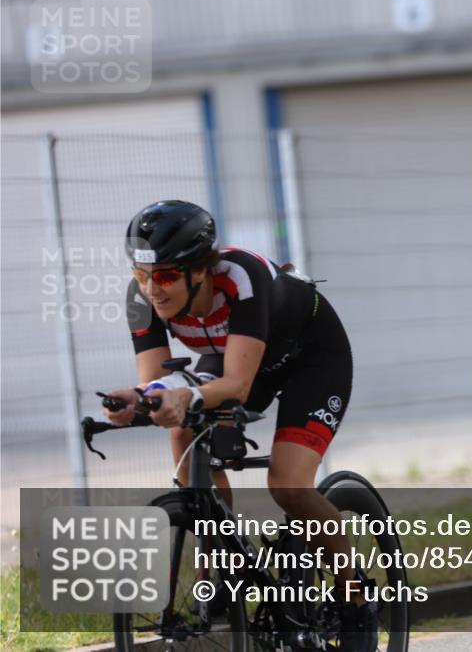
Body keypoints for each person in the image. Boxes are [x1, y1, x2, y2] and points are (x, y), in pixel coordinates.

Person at [103, 199, 377, 651]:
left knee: (288, 485)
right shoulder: (143, 299)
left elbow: (237, 383)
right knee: (182, 430)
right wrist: (134, 400)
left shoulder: (241, 277)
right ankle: (220, 563)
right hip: (236, 355)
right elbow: (154, 383)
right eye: (142, 275)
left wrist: (182, 394)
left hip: (310, 358)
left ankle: (354, 597)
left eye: (167, 275)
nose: (153, 289)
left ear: (201, 270)